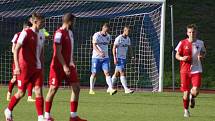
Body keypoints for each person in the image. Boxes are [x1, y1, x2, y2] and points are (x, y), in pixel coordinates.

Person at [44, 13, 87, 121]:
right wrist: (64, 66)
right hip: (58, 66)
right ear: (70, 21)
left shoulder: (70, 33)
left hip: (69, 65)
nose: (75, 23)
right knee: (53, 89)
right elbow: (58, 52)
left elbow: (69, 50)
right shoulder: (59, 33)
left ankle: (73, 116)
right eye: (74, 21)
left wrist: (71, 62)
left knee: (76, 88)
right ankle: (47, 116)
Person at [4, 13, 45, 121]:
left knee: (38, 91)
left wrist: (42, 67)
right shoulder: (25, 33)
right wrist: (17, 67)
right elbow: (16, 49)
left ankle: (41, 118)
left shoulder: (41, 34)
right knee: (21, 93)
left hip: (37, 68)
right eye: (42, 21)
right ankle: (8, 110)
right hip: (25, 68)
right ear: (35, 21)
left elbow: (41, 53)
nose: (43, 23)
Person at [175, 24, 206, 117]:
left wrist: (202, 56)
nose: (191, 34)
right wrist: (181, 58)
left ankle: (192, 97)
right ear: (187, 33)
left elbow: (204, 52)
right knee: (186, 92)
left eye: (193, 32)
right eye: (190, 32)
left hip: (197, 70)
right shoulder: (182, 43)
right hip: (184, 71)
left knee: (195, 91)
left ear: (196, 32)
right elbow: (177, 55)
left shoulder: (200, 43)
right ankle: (186, 111)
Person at [6, 20, 36, 102]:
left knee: (29, 78)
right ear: (26, 27)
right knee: (14, 78)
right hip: (18, 61)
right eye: (29, 28)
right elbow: (13, 49)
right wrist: (19, 55)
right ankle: (9, 93)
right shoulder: (18, 35)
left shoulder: (30, 36)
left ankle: (29, 97)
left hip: (26, 62)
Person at [89, 23, 117, 95]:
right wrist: (99, 52)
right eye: (105, 30)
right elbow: (94, 46)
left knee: (107, 73)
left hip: (105, 58)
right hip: (96, 58)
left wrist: (104, 54)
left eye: (107, 30)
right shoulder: (96, 35)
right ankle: (91, 89)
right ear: (103, 28)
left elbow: (105, 46)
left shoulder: (108, 36)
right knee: (94, 73)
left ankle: (110, 88)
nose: (106, 32)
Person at [111, 26, 134, 94]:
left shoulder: (128, 39)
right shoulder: (119, 38)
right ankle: (126, 89)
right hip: (119, 58)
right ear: (124, 30)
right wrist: (115, 58)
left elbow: (130, 48)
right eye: (128, 31)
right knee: (122, 72)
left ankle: (110, 87)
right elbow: (114, 48)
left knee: (116, 73)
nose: (129, 32)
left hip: (124, 58)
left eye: (130, 31)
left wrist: (132, 56)